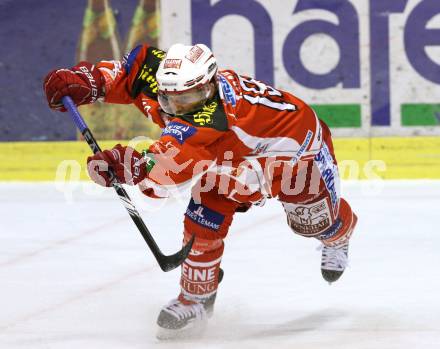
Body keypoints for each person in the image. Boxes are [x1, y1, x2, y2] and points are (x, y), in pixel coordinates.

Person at [43, 43, 358, 338]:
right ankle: (195, 300)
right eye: (171, 100)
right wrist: (89, 81)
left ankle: (339, 233)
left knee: (311, 222)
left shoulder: (211, 119)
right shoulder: (175, 82)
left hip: (295, 152)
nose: (178, 108)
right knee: (207, 203)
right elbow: (129, 73)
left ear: (209, 87)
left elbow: (164, 171)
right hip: (235, 150)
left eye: (187, 100)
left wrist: (131, 165)